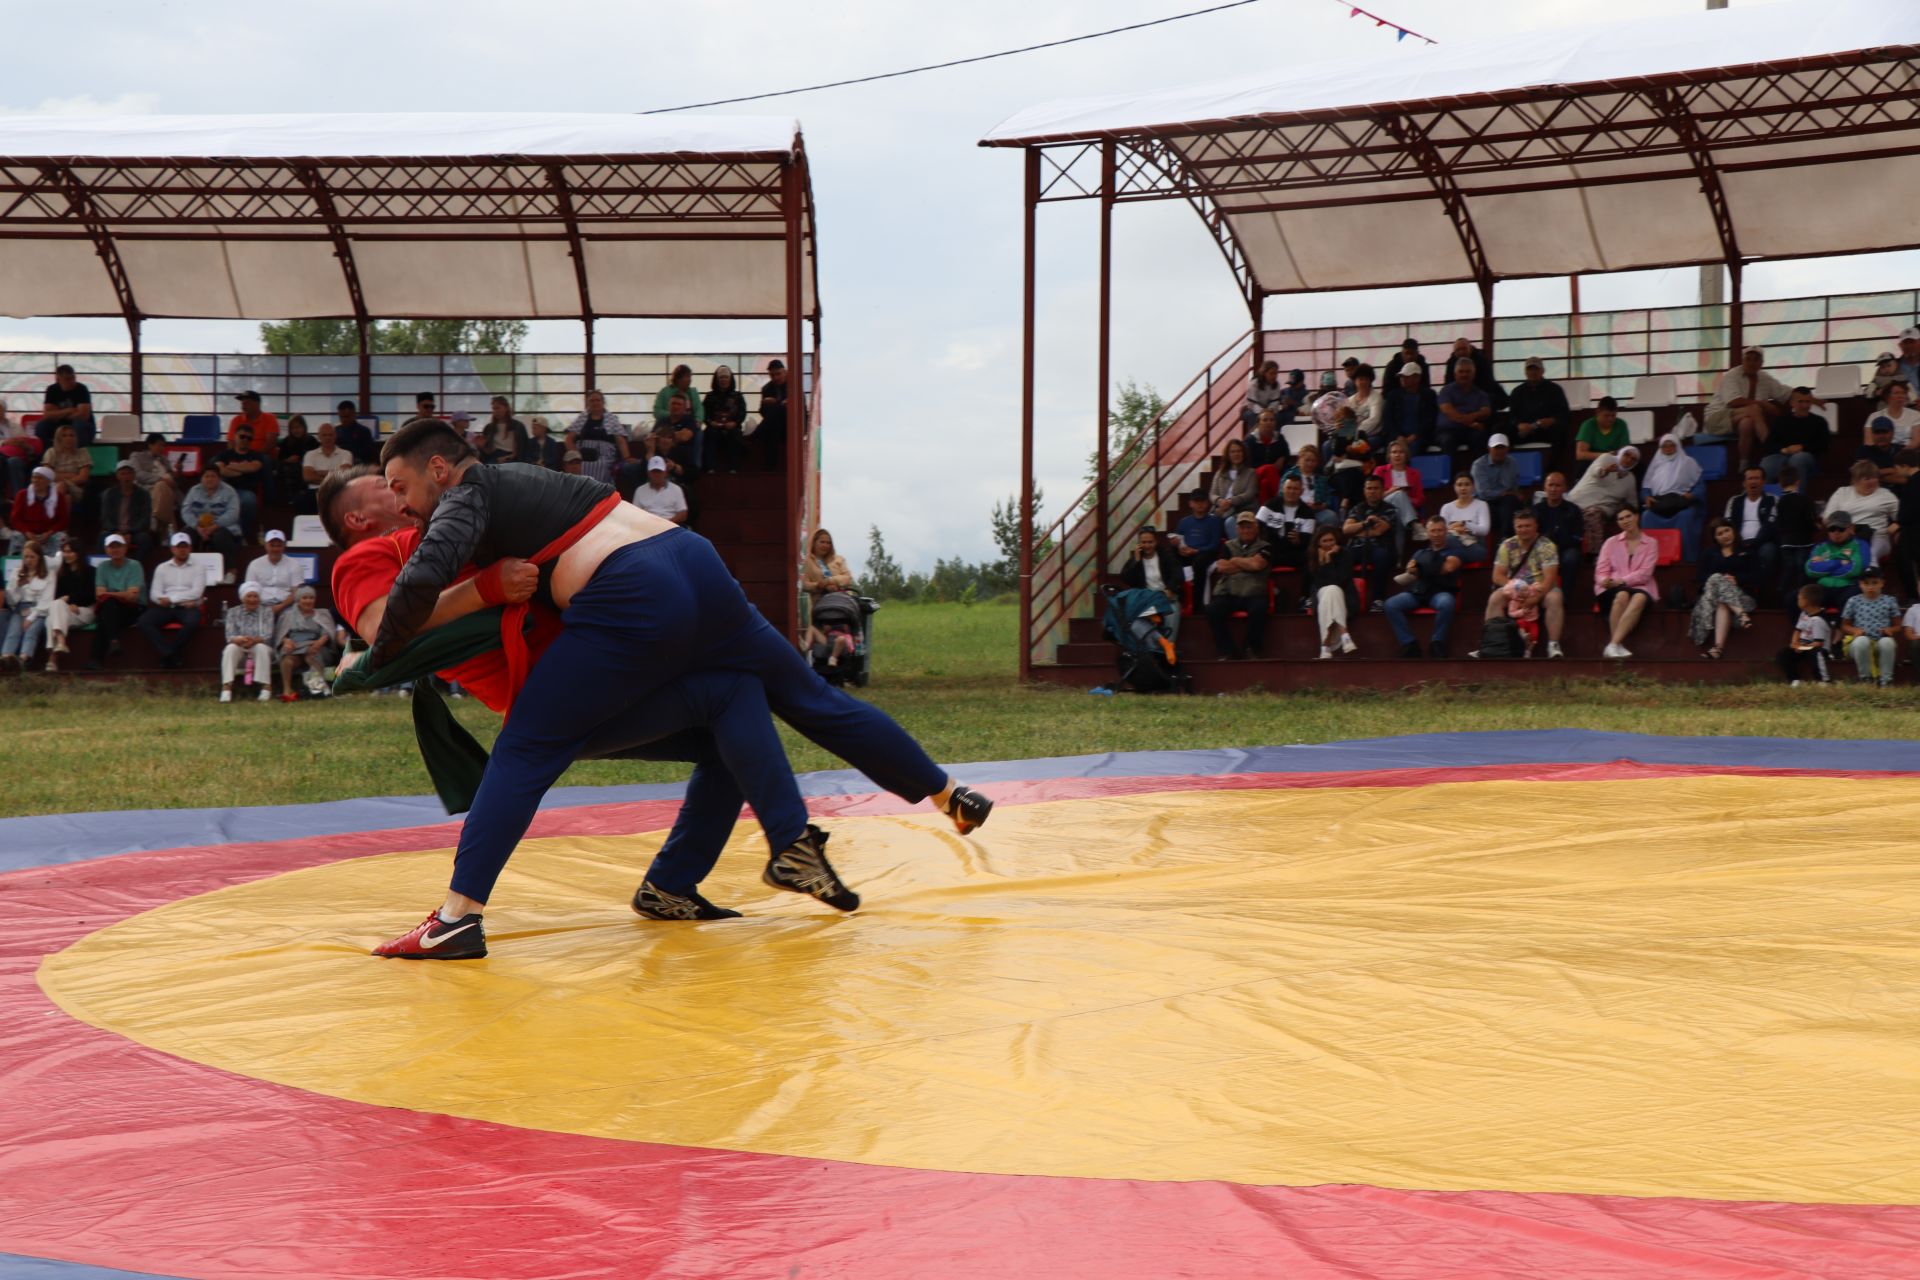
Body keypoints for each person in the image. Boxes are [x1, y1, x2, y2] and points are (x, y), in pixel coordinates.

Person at [353, 424, 996, 955]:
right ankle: (946, 793)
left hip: (634, 591)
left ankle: (457, 919)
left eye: (402, 487)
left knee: (524, 748)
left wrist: (371, 660)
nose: (403, 506)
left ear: (439, 467)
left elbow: (419, 582)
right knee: (803, 697)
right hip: (697, 563)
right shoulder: (532, 477)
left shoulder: (471, 492)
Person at [1482, 508, 1566, 660]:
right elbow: (1497, 576)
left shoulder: (1547, 546)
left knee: (1555, 598)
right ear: (1514, 527)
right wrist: (1515, 589)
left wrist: (1535, 598)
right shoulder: (1507, 545)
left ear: (1536, 526)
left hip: (1540, 587)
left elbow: (1550, 578)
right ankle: (1493, 643)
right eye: (1520, 526)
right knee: (1495, 598)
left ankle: (1553, 645)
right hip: (1514, 588)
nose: (1523, 529)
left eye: (1527, 526)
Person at [1384, 516, 1463, 658]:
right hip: (1418, 592)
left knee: (1447, 602)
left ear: (1446, 531)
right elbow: (1410, 569)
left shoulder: (1454, 551)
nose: (1437, 534)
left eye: (1440, 530)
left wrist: (1421, 568)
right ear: (1427, 533)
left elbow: (1449, 567)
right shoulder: (1420, 553)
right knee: (1390, 604)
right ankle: (1409, 644)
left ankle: (1437, 643)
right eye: (1433, 531)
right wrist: (1426, 567)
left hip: (1440, 592)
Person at [1704, 347, 1789, 470]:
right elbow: (1733, 401)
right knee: (1754, 408)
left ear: (1761, 363)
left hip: (1740, 420)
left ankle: (1743, 464)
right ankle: (1771, 450)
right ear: (1743, 361)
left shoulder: (1765, 378)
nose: (1751, 363)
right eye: (1748, 359)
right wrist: (1764, 404)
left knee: (1747, 423)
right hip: (1716, 419)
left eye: (1755, 360)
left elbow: (1785, 392)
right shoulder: (1732, 375)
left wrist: (1810, 398)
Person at [1690, 518, 1761, 659]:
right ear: (1715, 538)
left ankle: (1741, 614)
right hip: (1718, 601)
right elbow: (1700, 577)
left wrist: (1737, 579)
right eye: (1720, 533)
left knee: (1720, 586)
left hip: (1744, 599)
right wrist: (1722, 581)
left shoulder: (1747, 551)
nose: (1725, 535)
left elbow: (1758, 576)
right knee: (1717, 581)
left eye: (1727, 530)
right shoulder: (1708, 554)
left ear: (1733, 530)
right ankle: (1718, 648)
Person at [1596, 505, 1660, 659]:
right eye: (1620, 519)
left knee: (1640, 597)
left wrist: (1620, 581)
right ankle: (1617, 645)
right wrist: (1605, 581)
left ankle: (1613, 644)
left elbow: (1645, 574)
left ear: (1637, 517)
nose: (1625, 521)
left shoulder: (1651, 543)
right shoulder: (1610, 542)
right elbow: (1601, 570)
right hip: (1611, 588)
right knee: (1622, 595)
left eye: (1628, 516)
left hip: (1641, 586)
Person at [1205, 512, 1271, 659]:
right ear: (1237, 529)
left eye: (1249, 527)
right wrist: (1247, 563)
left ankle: (1251, 647)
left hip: (1254, 591)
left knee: (1259, 609)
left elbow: (1257, 565)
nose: (1246, 530)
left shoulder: (1266, 546)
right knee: (1212, 610)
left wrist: (1234, 560)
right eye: (1242, 527)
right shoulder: (1228, 545)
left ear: (1256, 528)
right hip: (1229, 591)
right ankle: (1228, 650)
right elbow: (1222, 567)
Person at [139, 533, 206, 668]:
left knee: (193, 621)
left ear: (190, 548)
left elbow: (196, 593)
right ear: (172, 549)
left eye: (185, 546)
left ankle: (168, 653)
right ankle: (170, 653)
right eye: (178, 547)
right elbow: (154, 593)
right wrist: (163, 601)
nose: (182, 550)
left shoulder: (199, 567)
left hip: (186, 607)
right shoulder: (162, 568)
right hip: (165, 607)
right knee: (144, 621)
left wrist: (170, 599)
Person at [1640, 434, 1705, 560]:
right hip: (1660, 503)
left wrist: (1692, 494)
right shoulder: (1655, 465)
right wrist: (1647, 497)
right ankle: (1650, 559)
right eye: (1664, 446)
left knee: (1685, 516)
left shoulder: (1688, 462)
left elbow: (1700, 486)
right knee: (1647, 516)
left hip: (1681, 502)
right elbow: (1645, 488)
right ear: (1660, 448)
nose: (1668, 448)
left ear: (1677, 446)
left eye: (1671, 445)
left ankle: (1686, 558)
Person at [276, 585, 345, 700]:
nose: (308, 601)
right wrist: (286, 641)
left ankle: (317, 688)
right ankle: (287, 689)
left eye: (311, 598)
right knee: (287, 659)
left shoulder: (322, 614)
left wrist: (319, 642)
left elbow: (328, 633)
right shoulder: (287, 615)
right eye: (305, 598)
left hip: (317, 647)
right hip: (295, 647)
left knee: (312, 655)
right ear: (298, 600)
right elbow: (281, 634)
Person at [1567, 447, 1640, 554]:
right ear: (1621, 453)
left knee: (1593, 513)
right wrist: (1605, 470)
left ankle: (1596, 555)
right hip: (1578, 501)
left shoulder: (1630, 478)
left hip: (1601, 509)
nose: (1629, 459)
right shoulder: (1607, 458)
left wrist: (1634, 514)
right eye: (1627, 455)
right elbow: (1596, 471)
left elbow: (1632, 504)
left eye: (1633, 459)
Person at [1825, 459, 1900, 564]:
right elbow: (1828, 518)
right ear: (1855, 480)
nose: (1872, 481)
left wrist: (1897, 525)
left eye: (1875, 477)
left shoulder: (1886, 495)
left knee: (1866, 555)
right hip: (1847, 537)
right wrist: (1847, 530)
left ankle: (1872, 571)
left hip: (1877, 537)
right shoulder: (1842, 492)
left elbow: (1903, 517)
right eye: (1867, 478)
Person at [1839, 566, 1901, 687]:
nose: (1870, 586)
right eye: (1866, 583)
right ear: (1860, 584)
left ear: (1882, 583)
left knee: (1887, 642)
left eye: (1874, 583)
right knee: (1862, 641)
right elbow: (1844, 625)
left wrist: (1890, 630)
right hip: (1859, 643)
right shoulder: (1853, 601)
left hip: (1880, 641)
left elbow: (1898, 626)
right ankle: (1866, 680)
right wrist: (1855, 630)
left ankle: (1886, 680)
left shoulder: (1890, 601)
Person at [88, 534, 143, 670]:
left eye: (118, 546)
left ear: (125, 548)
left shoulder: (134, 565)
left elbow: (133, 597)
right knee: (108, 608)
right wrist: (119, 594)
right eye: (111, 547)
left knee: (106, 611)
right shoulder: (102, 567)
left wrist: (111, 594)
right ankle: (113, 642)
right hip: (112, 608)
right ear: (106, 550)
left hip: (133, 608)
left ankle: (96, 658)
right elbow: (99, 595)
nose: (115, 550)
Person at [1305, 528, 1358, 659]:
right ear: (1318, 543)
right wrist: (1325, 561)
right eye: (1325, 541)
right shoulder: (1313, 557)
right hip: (1322, 598)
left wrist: (1328, 561)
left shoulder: (1345, 554)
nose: (1329, 544)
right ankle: (1344, 635)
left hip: (1346, 598)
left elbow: (1339, 581)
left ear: (1337, 541)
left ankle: (1325, 645)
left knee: (1333, 589)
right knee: (1330, 591)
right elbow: (1321, 584)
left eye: (1331, 540)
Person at [44, 539, 96, 673]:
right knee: (53, 612)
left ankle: (53, 656)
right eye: (65, 551)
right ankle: (59, 645)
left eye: (70, 551)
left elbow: (91, 595)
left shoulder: (90, 571)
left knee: (52, 617)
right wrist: (67, 604)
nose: (67, 554)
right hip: (66, 611)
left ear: (78, 553)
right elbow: (57, 597)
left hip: (85, 610)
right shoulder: (61, 574)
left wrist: (71, 600)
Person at [0, 541, 54, 670]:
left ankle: (23, 660)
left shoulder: (48, 574)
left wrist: (31, 617)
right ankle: (5, 660)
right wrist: (18, 585)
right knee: (13, 632)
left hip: (39, 610)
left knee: (31, 632)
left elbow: (46, 601)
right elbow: (12, 601)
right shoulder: (16, 572)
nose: (28, 560)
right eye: (26, 557)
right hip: (19, 609)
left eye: (32, 557)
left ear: (39, 557)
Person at [219, 582, 276, 703]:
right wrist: (240, 640)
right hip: (240, 646)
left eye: (255, 596)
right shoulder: (233, 612)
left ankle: (266, 687)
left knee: (261, 647)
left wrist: (254, 640)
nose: (252, 599)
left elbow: (268, 635)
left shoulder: (267, 612)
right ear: (242, 598)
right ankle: (226, 688)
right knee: (230, 649)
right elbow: (230, 636)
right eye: (249, 596)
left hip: (260, 647)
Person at [179, 467, 242, 575]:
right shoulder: (194, 491)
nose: (210, 479)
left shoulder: (229, 491)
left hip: (222, 527)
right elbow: (185, 511)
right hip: (198, 526)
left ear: (219, 478)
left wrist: (215, 526)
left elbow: (233, 513)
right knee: (185, 536)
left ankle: (231, 571)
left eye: (213, 476)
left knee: (220, 536)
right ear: (201, 479)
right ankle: (183, 570)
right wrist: (197, 526)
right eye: (206, 476)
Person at [1760, 388, 1829, 486]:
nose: (1805, 405)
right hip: (1782, 455)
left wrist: (1802, 448)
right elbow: (1769, 444)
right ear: (1792, 403)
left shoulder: (1819, 422)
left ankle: (1796, 498)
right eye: (1800, 402)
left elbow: (1824, 445)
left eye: (1807, 402)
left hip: (1808, 458)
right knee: (1767, 463)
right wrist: (1784, 450)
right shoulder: (1781, 421)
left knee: (1798, 459)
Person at [212, 424, 269, 540]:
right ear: (235, 436)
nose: (245, 440)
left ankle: (243, 535)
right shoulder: (225, 454)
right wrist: (242, 469)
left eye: (249, 438)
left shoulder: (256, 455)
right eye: (242, 436)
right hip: (225, 491)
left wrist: (231, 466)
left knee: (248, 500)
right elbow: (220, 470)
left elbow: (253, 467)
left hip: (246, 492)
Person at [1531, 471, 1585, 592]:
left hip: (1565, 550)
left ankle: (1564, 597)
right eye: (1550, 485)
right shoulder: (1536, 510)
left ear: (1565, 488)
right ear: (1545, 487)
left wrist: (1558, 544)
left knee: (1572, 557)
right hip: (1542, 551)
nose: (1553, 489)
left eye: (1557, 485)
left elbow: (1578, 536)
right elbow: (1531, 535)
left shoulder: (1573, 510)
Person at [1507, 357, 1572, 454]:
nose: (1533, 372)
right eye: (1530, 369)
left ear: (1542, 371)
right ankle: (1510, 465)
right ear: (1525, 372)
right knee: (1501, 431)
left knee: (1562, 432)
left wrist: (1552, 420)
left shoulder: (1555, 390)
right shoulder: (1517, 392)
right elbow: (1512, 415)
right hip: (1523, 432)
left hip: (1545, 430)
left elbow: (1565, 413)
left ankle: (1552, 468)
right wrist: (1519, 424)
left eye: (1536, 369)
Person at [565, 389, 629, 487]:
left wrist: (627, 458)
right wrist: (576, 455)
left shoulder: (611, 419)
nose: (595, 403)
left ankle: (598, 493)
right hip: (583, 454)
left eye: (598, 400)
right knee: (579, 466)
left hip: (604, 455)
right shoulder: (582, 418)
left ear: (603, 402)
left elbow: (621, 441)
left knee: (601, 465)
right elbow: (568, 439)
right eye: (592, 401)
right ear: (588, 403)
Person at [1121, 523, 1185, 619]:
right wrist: (1136, 562)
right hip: (1147, 599)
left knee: (1171, 613)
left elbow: (1178, 574)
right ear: (1139, 543)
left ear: (1156, 542)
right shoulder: (1136, 558)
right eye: (1144, 542)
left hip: (1166, 598)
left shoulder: (1166, 555)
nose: (1147, 545)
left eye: (1150, 542)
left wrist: (1170, 588)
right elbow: (1128, 580)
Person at [1256, 474, 1316, 575]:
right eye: (1289, 488)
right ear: (1283, 489)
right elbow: (1256, 526)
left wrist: (1299, 540)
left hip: (1294, 552)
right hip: (1270, 549)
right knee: (1260, 558)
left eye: (1295, 489)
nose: (1292, 492)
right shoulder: (1269, 505)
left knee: (1309, 559)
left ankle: (1305, 590)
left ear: (1301, 491)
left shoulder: (1308, 513)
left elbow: (1307, 540)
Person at [1806, 513, 1868, 610]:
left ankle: (1842, 625)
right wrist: (1838, 563)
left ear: (1851, 528)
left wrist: (1825, 565)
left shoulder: (1860, 545)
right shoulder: (1820, 547)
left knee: (1849, 599)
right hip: (1823, 587)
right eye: (1832, 529)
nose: (1836, 532)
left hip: (1848, 586)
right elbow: (1811, 569)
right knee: (1794, 598)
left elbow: (1856, 568)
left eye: (1841, 528)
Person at [1470, 433, 1524, 540]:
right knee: (1504, 507)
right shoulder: (1479, 465)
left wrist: (1513, 493)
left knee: (1511, 503)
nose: (1499, 451)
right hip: (1484, 501)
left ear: (1507, 449)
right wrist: (1503, 493)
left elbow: (1513, 486)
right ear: (1489, 448)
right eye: (1496, 448)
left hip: (1505, 501)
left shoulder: (1512, 462)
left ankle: (1506, 538)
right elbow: (1483, 493)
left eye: (1502, 447)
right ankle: (1505, 538)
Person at [97, 460, 154, 561]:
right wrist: (117, 532)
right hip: (114, 530)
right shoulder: (109, 494)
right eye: (123, 474)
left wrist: (130, 533)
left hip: (135, 532)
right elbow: (105, 518)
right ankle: (105, 567)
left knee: (144, 539)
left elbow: (145, 519)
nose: (126, 477)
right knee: (103, 537)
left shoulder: (143, 494)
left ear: (134, 475)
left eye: (129, 473)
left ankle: (136, 567)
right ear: (117, 476)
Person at [1777, 584, 1832, 686]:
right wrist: (1794, 643)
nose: (1797, 601)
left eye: (1799, 598)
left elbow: (1818, 643)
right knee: (1784, 654)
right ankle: (1795, 679)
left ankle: (1823, 680)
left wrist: (1802, 647)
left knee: (1816, 654)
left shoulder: (1818, 620)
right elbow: (1797, 630)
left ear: (1806, 601)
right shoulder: (1804, 614)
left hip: (1817, 648)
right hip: (1803, 647)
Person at [1435, 358, 1492, 454]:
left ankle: (1477, 469)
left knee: (1481, 437)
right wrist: (1472, 423)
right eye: (1461, 371)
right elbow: (1448, 411)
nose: (1464, 374)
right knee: (1447, 441)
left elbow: (1486, 411)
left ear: (1473, 374)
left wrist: (1472, 417)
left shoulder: (1481, 394)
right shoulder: (1446, 390)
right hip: (1448, 430)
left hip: (1470, 431)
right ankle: (1450, 469)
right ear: (1455, 374)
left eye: (1468, 372)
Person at [8, 466, 69, 555]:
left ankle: (57, 565)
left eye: (40, 478)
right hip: (27, 533)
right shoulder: (22, 494)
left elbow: (63, 520)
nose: (36, 480)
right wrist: (27, 532)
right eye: (34, 477)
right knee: (17, 536)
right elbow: (15, 518)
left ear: (48, 481)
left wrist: (49, 533)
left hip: (48, 534)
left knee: (62, 537)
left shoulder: (58, 497)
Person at [245, 531, 305, 618]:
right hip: (260, 605)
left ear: (284, 546)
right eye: (272, 545)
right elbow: (249, 590)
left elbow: (297, 592)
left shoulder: (294, 564)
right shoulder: (254, 564)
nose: (275, 549)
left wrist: (280, 606)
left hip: (287, 606)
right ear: (266, 545)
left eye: (279, 545)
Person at [1172, 490, 1225, 589]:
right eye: (1196, 501)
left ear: (1207, 503)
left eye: (1202, 501)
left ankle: (1198, 601)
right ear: (1190, 503)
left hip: (1204, 554)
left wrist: (1196, 551)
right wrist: (1178, 546)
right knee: (1170, 553)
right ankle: (1176, 590)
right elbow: (1178, 538)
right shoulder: (1184, 522)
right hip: (1186, 553)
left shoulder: (1214, 521)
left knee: (1199, 562)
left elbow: (1214, 545)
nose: (1200, 504)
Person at [1380, 364, 1437, 453]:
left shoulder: (1429, 395)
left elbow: (1430, 419)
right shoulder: (1393, 395)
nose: (1402, 378)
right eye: (1401, 376)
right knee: (1394, 448)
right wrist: (1398, 436)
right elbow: (1387, 419)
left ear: (1417, 378)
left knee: (1415, 447)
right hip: (1396, 437)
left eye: (1406, 376)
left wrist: (1416, 435)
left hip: (1420, 437)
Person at [1281, 444, 1341, 529]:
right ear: (1299, 460)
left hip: (1315, 511)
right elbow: (1281, 495)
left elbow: (1327, 499)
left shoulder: (1321, 479)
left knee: (1331, 516)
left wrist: (1321, 506)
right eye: (1307, 460)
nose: (1310, 464)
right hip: (1295, 510)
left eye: (1313, 461)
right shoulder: (1289, 476)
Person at [300, 420, 353, 515]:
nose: (328, 438)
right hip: (315, 491)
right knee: (303, 500)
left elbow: (344, 475)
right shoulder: (310, 454)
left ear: (335, 436)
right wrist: (334, 473)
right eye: (324, 435)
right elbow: (308, 477)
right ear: (319, 437)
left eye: (330, 435)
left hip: (337, 490)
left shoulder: (346, 453)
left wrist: (319, 472)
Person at [1371, 439, 1424, 531]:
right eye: (1394, 452)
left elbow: (1420, 499)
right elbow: (1373, 495)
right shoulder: (1380, 471)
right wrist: (1392, 491)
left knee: (1397, 516)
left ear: (1406, 455)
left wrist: (1406, 499)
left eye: (1401, 452)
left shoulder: (1415, 474)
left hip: (1401, 511)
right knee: (1399, 494)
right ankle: (1415, 525)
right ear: (1389, 455)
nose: (1397, 455)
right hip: (1383, 507)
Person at [704, 367, 750, 474]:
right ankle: (710, 468)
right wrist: (711, 423)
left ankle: (734, 468)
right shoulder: (709, 396)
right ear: (716, 379)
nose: (723, 380)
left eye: (726, 377)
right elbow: (704, 414)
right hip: (714, 428)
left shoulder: (738, 396)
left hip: (732, 427)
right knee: (709, 434)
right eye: (721, 378)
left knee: (735, 435)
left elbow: (742, 413)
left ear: (730, 379)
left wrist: (735, 423)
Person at [130, 432, 179, 532]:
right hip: (147, 488)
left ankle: (155, 519)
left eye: (163, 446)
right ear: (150, 445)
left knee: (164, 488)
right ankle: (170, 530)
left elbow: (173, 479)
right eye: (159, 445)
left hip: (169, 490)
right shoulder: (137, 456)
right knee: (162, 486)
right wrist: (160, 479)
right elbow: (138, 474)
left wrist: (178, 471)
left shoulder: (164, 459)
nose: (162, 448)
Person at [1437, 472, 1491, 561]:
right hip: (1452, 543)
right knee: (1448, 540)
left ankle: (1440, 556)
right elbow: (1441, 531)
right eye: (1459, 485)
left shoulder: (1482, 505)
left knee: (1446, 545)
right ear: (1454, 487)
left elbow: (1484, 530)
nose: (1463, 488)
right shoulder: (1446, 507)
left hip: (1475, 546)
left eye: (1467, 484)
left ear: (1473, 487)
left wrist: (1464, 524)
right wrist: (1455, 529)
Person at [37, 364, 93, 447]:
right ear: (58, 379)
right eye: (67, 379)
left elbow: (83, 415)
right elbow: (47, 415)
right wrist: (70, 410)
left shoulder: (81, 389)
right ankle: (49, 453)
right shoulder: (52, 390)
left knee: (79, 425)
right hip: (59, 425)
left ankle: (77, 454)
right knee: (42, 426)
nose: (71, 382)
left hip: (81, 425)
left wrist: (58, 414)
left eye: (73, 378)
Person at [630, 456, 689, 524]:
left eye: (659, 471)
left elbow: (683, 514)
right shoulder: (639, 490)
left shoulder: (676, 489)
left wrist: (667, 523)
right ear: (648, 473)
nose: (656, 474)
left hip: (671, 526)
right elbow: (635, 515)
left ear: (665, 472)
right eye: (654, 471)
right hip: (647, 526)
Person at [1209, 438, 1258, 518]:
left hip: (1241, 510)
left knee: (1229, 522)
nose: (1236, 454)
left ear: (1243, 453)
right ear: (1228, 455)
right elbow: (1212, 494)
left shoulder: (1251, 473)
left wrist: (1231, 501)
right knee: (1211, 521)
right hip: (1220, 508)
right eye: (1233, 452)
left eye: (1239, 451)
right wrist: (1219, 501)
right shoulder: (1220, 473)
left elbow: (1249, 494)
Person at [43, 424, 89, 508]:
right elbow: (47, 475)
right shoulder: (51, 452)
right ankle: (61, 520)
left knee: (61, 486)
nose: (69, 438)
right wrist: (71, 475)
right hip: (52, 486)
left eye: (72, 435)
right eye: (64, 435)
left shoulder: (82, 452)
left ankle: (50, 518)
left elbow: (83, 477)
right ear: (58, 438)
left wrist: (62, 480)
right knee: (66, 498)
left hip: (75, 488)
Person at [1574, 396, 1630, 465]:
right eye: (1606, 416)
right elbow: (1580, 455)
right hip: (1592, 462)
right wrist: (1605, 456)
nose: (1610, 419)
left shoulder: (1621, 424)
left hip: (1615, 461)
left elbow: (1624, 450)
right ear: (1598, 412)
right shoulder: (1588, 425)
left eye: (1613, 415)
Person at [757, 358, 790, 470]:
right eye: (772, 375)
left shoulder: (794, 385)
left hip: (791, 424)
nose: (775, 377)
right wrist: (769, 404)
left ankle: (758, 432)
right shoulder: (766, 389)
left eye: (778, 374)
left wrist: (779, 404)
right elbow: (762, 411)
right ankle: (771, 465)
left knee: (778, 413)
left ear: (785, 372)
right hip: (775, 425)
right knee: (774, 427)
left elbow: (801, 407)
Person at [1867, 379, 1920, 448]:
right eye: (1896, 393)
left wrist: (1898, 453)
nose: (1901, 396)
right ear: (1887, 397)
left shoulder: (1915, 415)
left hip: (1908, 455)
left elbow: (1916, 441)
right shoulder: (1874, 417)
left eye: (1903, 393)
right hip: (1881, 455)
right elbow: (1869, 442)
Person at [479, 397, 531, 465]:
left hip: (514, 459)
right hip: (495, 458)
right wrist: (481, 446)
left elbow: (525, 448)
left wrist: (508, 457)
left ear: (506, 408)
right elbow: (486, 452)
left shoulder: (518, 426)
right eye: (494, 409)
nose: (496, 411)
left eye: (498, 408)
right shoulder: (489, 428)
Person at [1242, 360, 1285, 430]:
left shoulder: (1276, 385)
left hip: (1268, 409)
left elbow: (1275, 402)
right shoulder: (1254, 383)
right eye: (1271, 373)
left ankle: (1274, 436)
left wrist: (1270, 410)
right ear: (1264, 373)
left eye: (1276, 373)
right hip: (1251, 409)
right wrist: (1263, 412)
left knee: (1278, 416)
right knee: (1253, 416)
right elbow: (1252, 403)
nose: (1274, 376)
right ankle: (1253, 437)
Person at [332, 400, 377, 464]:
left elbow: (368, 454)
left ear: (354, 414)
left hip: (358, 463)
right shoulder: (335, 431)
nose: (344, 420)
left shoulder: (364, 431)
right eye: (341, 417)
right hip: (337, 464)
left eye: (347, 417)